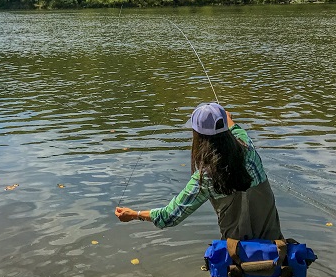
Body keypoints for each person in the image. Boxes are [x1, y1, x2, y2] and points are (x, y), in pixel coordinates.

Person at [114, 102, 282, 241]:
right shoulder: (249, 148)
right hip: (278, 255)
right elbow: (234, 128)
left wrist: (135, 214)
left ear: (198, 135)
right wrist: (225, 116)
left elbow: (170, 216)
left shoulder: (205, 178)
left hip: (237, 258)